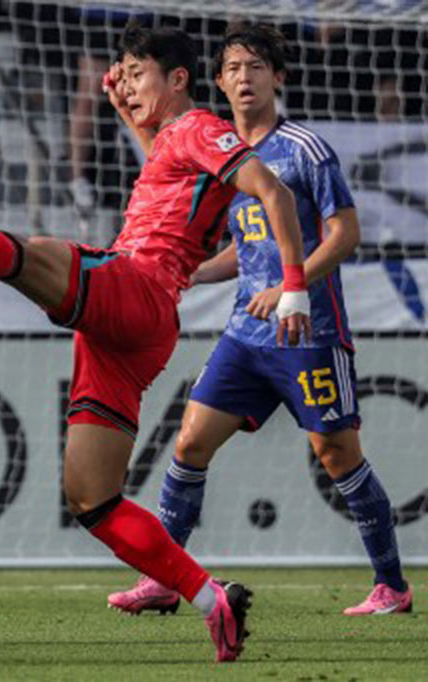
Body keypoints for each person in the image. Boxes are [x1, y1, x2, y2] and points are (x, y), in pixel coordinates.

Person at [0, 23, 314, 663]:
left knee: (28, 255)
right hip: (132, 332)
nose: (130, 84)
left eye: (139, 73)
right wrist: (129, 112)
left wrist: (294, 285)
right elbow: (176, 174)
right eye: (125, 74)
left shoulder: (199, 127)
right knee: (92, 499)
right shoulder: (175, 139)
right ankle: (212, 600)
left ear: (178, 79)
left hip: (139, 290)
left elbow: (273, 190)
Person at [108, 22, 411, 617]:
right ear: (218, 83)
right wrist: (198, 271)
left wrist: (291, 286)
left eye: (255, 67)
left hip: (309, 332)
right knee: (190, 441)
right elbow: (234, 235)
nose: (244, 78)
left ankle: (391, 587)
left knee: (337, 454)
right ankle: (165, 579)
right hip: (246, 334)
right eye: (233, 69)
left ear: (278, 77)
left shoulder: (304, 149)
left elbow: (346, 233)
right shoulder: (221, 149)